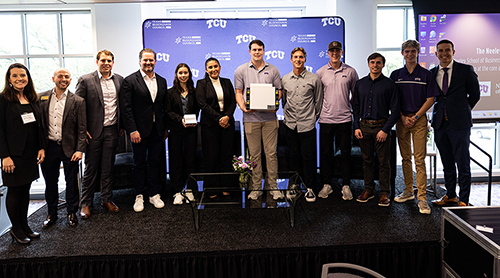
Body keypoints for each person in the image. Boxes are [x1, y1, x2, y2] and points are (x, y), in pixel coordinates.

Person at [390, 40, 439, 215]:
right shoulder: (395, 75)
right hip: (402, 120)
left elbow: (431, 99)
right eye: (407, 51)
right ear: (402, 53)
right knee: (405, 158)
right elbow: (393, 100)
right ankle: (409, 191)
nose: (410, 54)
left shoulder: (426, 75)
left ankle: (422, 198)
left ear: (418, 52)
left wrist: (416, 116)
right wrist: (402, 117)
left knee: (419, 159)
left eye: (413, 51)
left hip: (418, 120)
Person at [430, 39, 480, 207]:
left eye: (447, 50)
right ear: (436, 53)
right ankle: (450, 195)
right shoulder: (432, 72)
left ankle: (464, 200)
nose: (444, 53)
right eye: (441, 51)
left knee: (463, 162)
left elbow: (475, 95)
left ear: (453, 52)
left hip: (460, 124)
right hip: (440, 125)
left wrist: (461, 111)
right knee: (447, 163)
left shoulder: (466, 70)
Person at [76, 49, 124, 219]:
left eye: (109, 61)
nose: (106, 63)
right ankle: (86, 203)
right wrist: (83, 130)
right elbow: (78, 107)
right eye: (103, 60)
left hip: (112, 130)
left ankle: (106, 199)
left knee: (108, 168)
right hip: (93, 132)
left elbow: (122, 105)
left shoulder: (119, 80)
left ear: (113, 63)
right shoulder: (86, 80)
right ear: (97, 62)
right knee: (91, 169)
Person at [0, 63, 45, 244]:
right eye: (15, 76)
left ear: (28, 78)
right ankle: (15, 228)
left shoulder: (32, 97)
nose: (20, 79)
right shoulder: (3, 99)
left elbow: (38, 126)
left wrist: (41, 147)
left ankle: (25, 225)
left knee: (26, 189)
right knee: (14, 191)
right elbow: (0, 129)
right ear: (9, 79)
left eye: (23, 75)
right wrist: (4, 156)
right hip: (13, 155)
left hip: (30, 153)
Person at [234, 39, 284, 201]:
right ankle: (256, 188)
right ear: (249, 51)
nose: (257, 52)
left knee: (271, 154)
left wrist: (276, 103)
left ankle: (273, 187)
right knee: (254, 155)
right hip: (250, 119)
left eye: (260, 49)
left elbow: (279, 91)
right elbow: (238, 92)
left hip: (270, 119)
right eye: (254, 50)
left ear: (264, 51)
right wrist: (243, 107)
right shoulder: (241, 70)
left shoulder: (273, 69)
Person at [120, 48, 168, 212]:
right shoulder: (130, 81)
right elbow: (126, 109)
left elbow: (163, 107)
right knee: (139, 163)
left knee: (155, 162)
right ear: (140, 60)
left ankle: (153, 194)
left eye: (151, 60)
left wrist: (165, 129)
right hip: (138, 132)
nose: (148, 63)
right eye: (145, 60)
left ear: (155, 61)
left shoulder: (161, 80)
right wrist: (132, 130)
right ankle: (139, 195)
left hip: (157, 130)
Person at [39, 68, 87, 227]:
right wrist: (39, 147)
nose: (63, 79)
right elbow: (38, 126)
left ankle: (72, 212)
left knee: (71, 181)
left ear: (70, 80)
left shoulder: (78, 101)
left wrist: (80, 149)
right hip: (48, 148)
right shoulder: (41, 98)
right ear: (53, 78)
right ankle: (51, 214)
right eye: (60, 76)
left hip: (70, 148)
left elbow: (82, 128)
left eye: (67, 77)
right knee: (50, 182)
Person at [352, 53, 399, 206]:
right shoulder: (359, 84)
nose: (375, 65)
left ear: (383, 65)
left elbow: (395, 110)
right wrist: (356, 126)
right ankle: (368, 190)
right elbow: (356, 107)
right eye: (372, 62)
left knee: (384, 162)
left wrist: (385, 130)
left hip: (381, 127)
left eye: (378, 63)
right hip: (364, 127)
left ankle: (385, 192)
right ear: (368, 64)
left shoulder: (390, 84)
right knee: (367, 161)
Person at [316, 41, 359, 201]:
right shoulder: (320, 72)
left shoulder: (351, 72)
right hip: (326, 119)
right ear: (328, 53)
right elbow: (318, 96)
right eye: (332, 51)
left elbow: (355, 95)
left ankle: (346, 185)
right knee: (326, 153)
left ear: (342, 52)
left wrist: (354, 113)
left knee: (346, 153)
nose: (334, 53)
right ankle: (327, 184)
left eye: (337, 51)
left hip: (345, 119)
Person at [281, 47, 323, 202]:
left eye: (301, 57)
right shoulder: (285, 79)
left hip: (307, 125)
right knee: (294, 156)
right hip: (291, 124)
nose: (298, 60)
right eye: (295, 57)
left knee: (309, 157)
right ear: (291, 59)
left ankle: (310, 188)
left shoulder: (314, 79)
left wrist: (312, 118)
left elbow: (318, 102)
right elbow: (284, 101)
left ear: (305, 59)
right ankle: (294, 185)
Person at [196, 58, 237, 199]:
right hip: (210, 126)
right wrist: (219, 118)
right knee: (211, 157)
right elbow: (202, 104)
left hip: (227, 125)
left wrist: (226, 117)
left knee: (226, 156)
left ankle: (226, 187)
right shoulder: (201, 84)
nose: (214, 69)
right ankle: (212, 189)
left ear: (220, 67)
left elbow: (232, 102)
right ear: (206, 70)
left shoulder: (227, 82)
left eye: (216, 66)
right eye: (210, 67)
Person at [166, 63, 199, 205]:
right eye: (180, 73)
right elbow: (167, 112)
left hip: (191, 130)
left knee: (191, 160)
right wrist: (181, 119)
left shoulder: (195, 92)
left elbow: (197, 109)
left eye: (186, 72)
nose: (183, 75)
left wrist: (193, 120)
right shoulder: (170, 92)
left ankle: (190, 190)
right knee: (176, 160)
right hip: (176, 131)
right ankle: (177, 191)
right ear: (176, 75)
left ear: (189, 75)